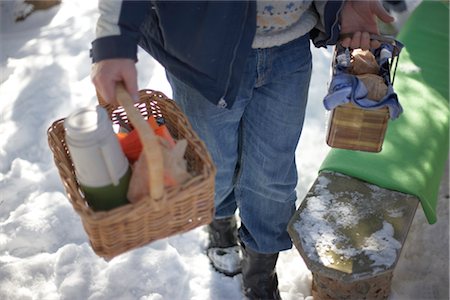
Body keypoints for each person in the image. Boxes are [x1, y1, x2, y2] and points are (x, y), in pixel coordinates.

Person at [90, 1, 394, 299]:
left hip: (290, 48)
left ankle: (261, 267)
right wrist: (112, 40)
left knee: (272, 177)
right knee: (213, 163)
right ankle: (220, 223)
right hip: (201, 53)